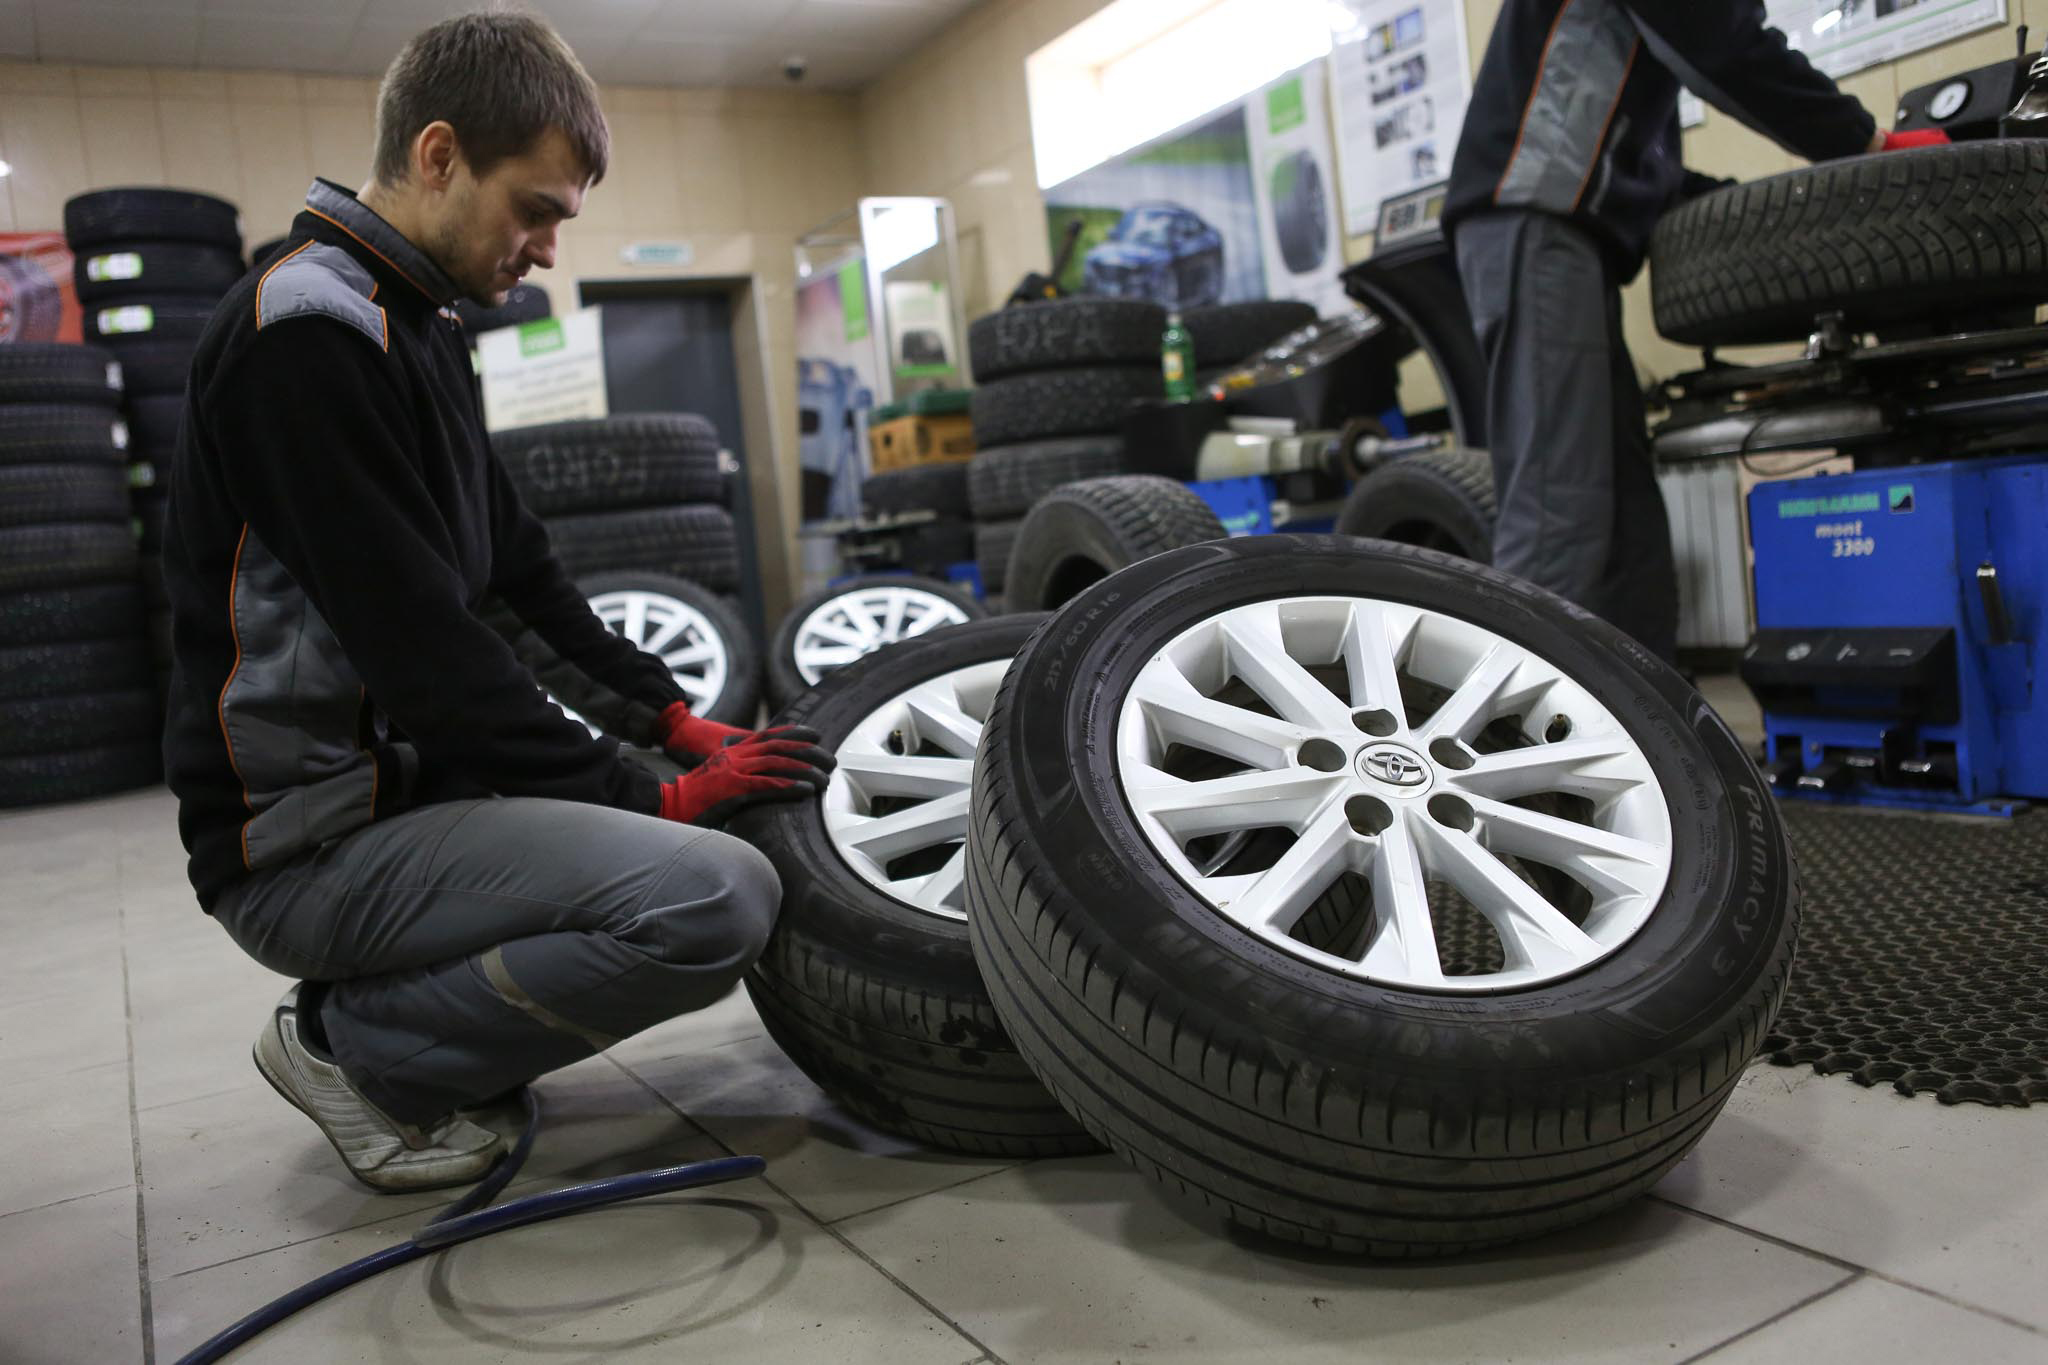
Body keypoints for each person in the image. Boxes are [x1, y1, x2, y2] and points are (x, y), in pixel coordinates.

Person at [159, 11, 834, 1193]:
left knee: (665, 848)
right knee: (714, 899)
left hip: (408, 804)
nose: (545, 248)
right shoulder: (306, 336)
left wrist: (666, 714)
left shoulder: (416, 321)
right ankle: (353, 1050)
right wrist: (653, 795)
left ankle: (409, 1018)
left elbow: (515, 566)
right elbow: (424, 647)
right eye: (535, 210)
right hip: (305, 848)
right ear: (436, 156)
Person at [1443, 1, 1944, 663]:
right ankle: (1510, 742)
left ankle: (1652, 728)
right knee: (1561, 512)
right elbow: (1724, 49)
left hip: (1554, 233)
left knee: (1624, 521)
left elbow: (1637, 145)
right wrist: (1867, 143)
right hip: (1534, 221)